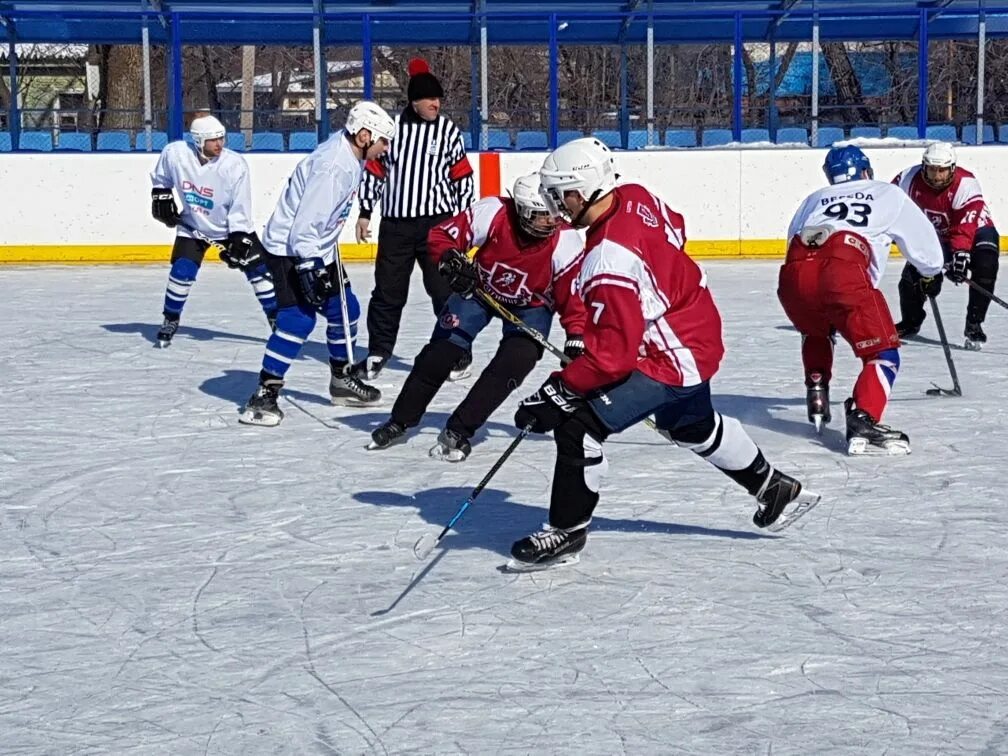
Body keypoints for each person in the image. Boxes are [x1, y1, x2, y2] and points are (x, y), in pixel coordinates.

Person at [506, 137, 819, 570]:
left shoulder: (606, 261)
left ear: (583, 191)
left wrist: (559, 390)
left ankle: (566, 531)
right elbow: (677, 227)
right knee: (692, 427)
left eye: (562, 196)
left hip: (672, 356)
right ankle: (772, 486)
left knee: (579, 426)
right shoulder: (635, 195)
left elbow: (613, 357)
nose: (558, 208)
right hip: (697, 326)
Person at [367, 174, 586, 461]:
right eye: (539, 215)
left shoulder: (566, 241)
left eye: (552, 214)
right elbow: (442, 235)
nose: (550, 222)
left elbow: (574, 296)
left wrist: (577, 336)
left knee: (515, 362)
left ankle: (459, 430)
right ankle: (401, 420)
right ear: (521, 210)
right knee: (440, 354)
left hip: (531, 305)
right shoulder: (494, 211)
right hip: (479, 290)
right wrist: (450, 259)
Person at [779, 145, 945, 455]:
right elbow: (926, 249)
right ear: (867, 170)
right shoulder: (886, 193)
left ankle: (817, 384)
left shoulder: (813, 199)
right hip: (844, 269)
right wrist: (930, 273)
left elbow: (792, 241)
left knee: (816, 328)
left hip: (795, 273)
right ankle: (864, 416)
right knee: (884, 353)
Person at [238, 101, 395, 427]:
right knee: (298, 321)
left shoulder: (351, 154)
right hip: (292, 251)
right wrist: (310, 267)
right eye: (383, 141)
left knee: (346, 311)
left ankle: (341, 380)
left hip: (316, 249)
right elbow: (303, 227)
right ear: (364, 136)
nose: (385, 148)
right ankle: (264, 393)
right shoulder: (334, 167)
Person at [353, 57, 476, 381]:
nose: (436, 103)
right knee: (387, 292)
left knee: (444, 291)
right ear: (413, 101)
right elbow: (375, 173)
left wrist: (462, 223)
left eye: (438, 99)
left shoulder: (448, 131)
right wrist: (365, 212)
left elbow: (463, 178)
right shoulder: (391, 131)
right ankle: (378, 351)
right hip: (396, 225)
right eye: (429, 99)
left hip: (437, 224)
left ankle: (458, 351)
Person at [150, 114, 277, 347]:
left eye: (221, 138)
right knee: (181, 272)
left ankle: (276, 318)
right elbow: (162, 177)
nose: (219, 144)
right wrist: (161, 194)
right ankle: (170, 319)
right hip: (193, 226)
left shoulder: (234, 165)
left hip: (231, 229)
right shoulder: (176, 153)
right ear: (198, 141)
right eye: (213, 140)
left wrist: (239, 238)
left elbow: (241, 205)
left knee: (259, 274)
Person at [892, 142, 1000, 350]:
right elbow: (889, 205)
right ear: (923, 166)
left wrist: (959, 256)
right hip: (935, 236)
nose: (936, 176)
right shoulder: (907, 179)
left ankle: (974, 323)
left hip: (976, 230)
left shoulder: (966, 184)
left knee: (986, 264)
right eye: (931, 169)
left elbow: (964, 225)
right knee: (911, 278)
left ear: (952, 168)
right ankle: (911, 321)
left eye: (941, 170)